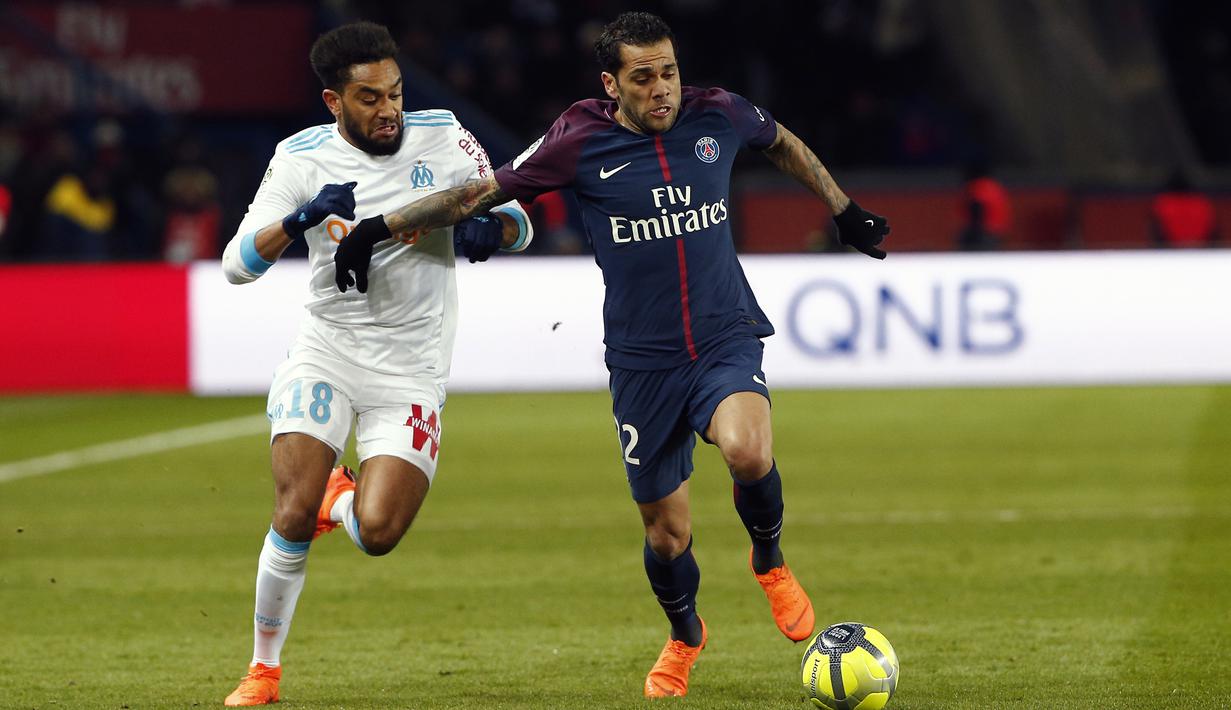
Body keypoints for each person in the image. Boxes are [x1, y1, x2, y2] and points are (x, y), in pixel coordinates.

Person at [333, 11, 888, 698]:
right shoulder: (576, 138)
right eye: (643, 77)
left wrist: (841, 209)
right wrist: (375, 230)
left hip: (722, 334)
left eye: (669, 73)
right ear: (611, 83)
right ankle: (686, 635)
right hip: (641, 362)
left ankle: (769, 562)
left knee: (747, 451)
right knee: (666, 536)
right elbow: (480, 194)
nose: (662, 90)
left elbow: (782, 143)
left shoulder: (717, 114)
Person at [219, 21, 532, 707]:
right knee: (293, 509)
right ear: (334, 101)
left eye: (393, 92)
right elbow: (237, 265)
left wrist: (492, 229)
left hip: (411, 369)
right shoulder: (299, 158)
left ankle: (342, 496)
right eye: (369, 98)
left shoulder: (445, 135)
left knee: (380, 533)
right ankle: (263, 671)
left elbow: (522, 218)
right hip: (326, 351)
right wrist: (300, 219)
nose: (388, 109)